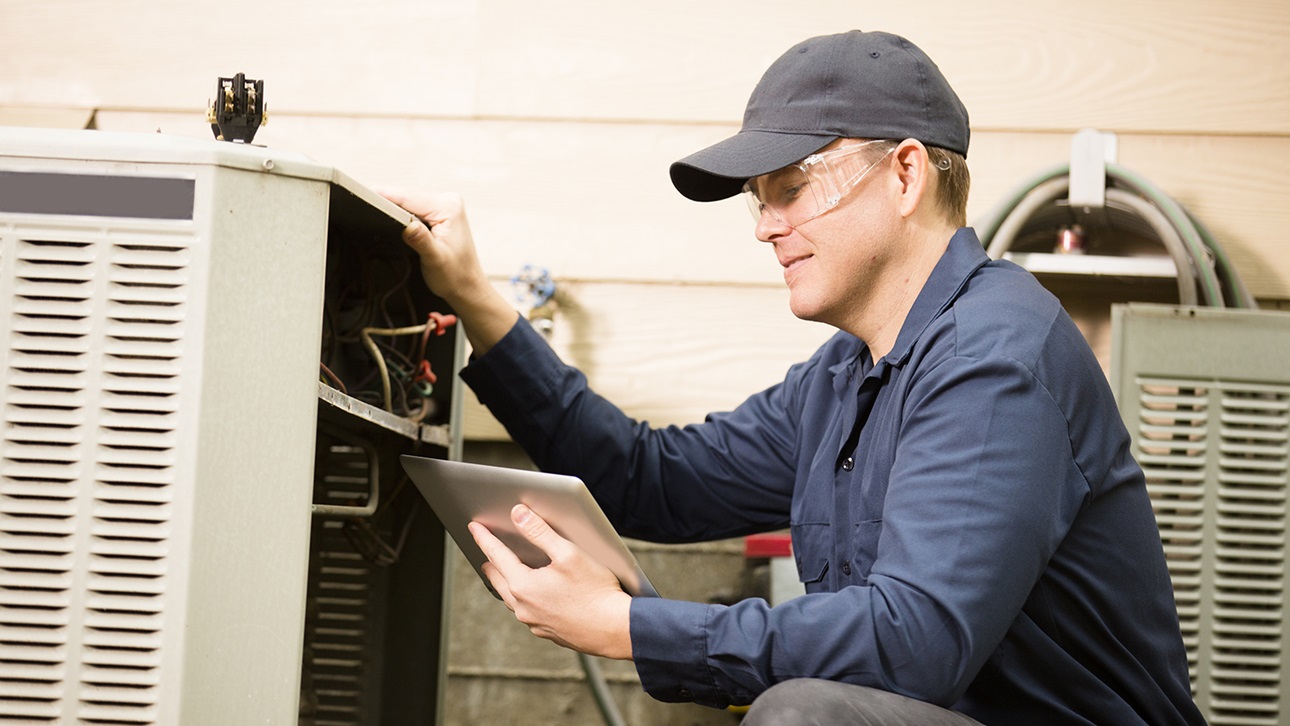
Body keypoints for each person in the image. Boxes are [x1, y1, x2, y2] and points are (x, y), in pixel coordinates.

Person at [383, 30, 1205, 725]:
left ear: (907, 175)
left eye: (792, 189)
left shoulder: (997, 359)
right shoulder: (845, 376)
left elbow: (912, 641)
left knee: (803, 714)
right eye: (758, 200)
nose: (766, 228)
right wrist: (477, 301)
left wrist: (629, 626)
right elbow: (649, 480)